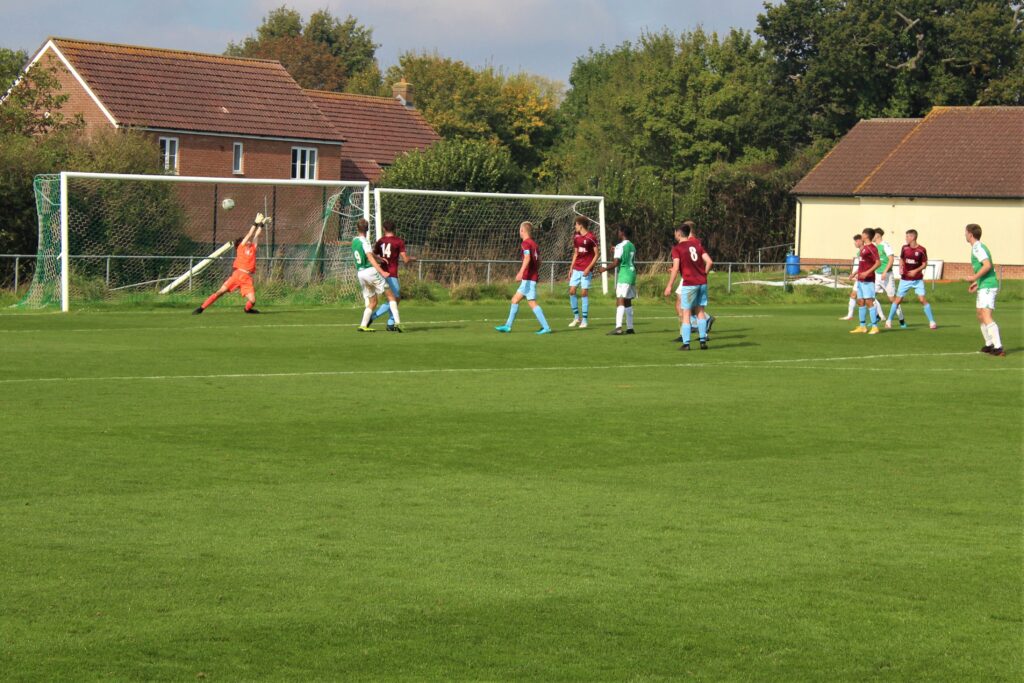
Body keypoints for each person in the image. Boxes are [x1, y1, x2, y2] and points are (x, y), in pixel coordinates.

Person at [193, 213, 269, 315]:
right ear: (240, 244)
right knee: (220, 292)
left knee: (252, 300)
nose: (248, 241)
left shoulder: (252, 248)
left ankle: (247, 310)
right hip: (237, 275)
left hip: (246, 278)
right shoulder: (241, 248)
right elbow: (249, 235)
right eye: (244, 241)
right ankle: (201, 308)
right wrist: (255, 222)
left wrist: (262, 224)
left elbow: (256, 235)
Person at [495, 221, 552, 335]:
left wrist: (521, 272)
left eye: (519, 230)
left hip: (527, 279)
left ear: (522, 231)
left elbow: (527, 258)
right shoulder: (534, 244)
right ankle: (508, 326)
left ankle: (545, 327)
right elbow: (539, 261)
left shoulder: (525, 243)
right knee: (519, 300)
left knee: (527, 302)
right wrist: (534, 272)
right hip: (532, 278)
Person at [664, 221, 713, 350]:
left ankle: (686, 344)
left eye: (675, 232)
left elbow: (675, 269)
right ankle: (703, 341)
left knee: (685, 312)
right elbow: (709, 261)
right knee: (700, 311)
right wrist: (703, 274)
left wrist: (669, 286)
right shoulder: (697, 245)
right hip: (702, 282)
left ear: (678, 234)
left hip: (689, 284)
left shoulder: (677, 249)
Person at [352, 218, 400, 332]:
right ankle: (397, 323)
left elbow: (368, 252)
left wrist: (378, 257)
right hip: (370, 272)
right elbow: (369, 257)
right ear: (368, 229)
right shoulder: (365, 241)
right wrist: (381, 271)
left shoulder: (355, 241)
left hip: (360, 273)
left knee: (373, 302)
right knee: (392, 296)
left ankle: (363, 325)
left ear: (357, 228)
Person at [965, 223, 1004, 356]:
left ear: (970, 234)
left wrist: (974, 277)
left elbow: (987, 265)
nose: (964, 235)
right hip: (983, 285)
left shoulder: (978, 248)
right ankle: (989, 344)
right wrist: (977, 282)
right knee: (980, 314)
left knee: (986, 316)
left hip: (988, 286)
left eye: (965, 232)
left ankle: (998, 347)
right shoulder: (977, 247)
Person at [886, 229, 936, 330]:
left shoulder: (921, 250)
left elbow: (924, 264)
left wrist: (915, 271)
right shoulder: (904, 248)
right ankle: (889, 321)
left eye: (907, 236)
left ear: (913, 237)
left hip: (917, 280)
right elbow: (901, 258)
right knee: (898, 300)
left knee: (922, 299)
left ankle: (932, 322)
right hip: (905, 279)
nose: (906, 238)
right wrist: (901, 265)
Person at [370, 220, 414, 332]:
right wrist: (413, 259)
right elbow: (405, 260)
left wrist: (381, 259)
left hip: (381, 273)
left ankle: (390, 323)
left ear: (384, 229)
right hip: (391, 273)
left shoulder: (380, 241)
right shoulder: (398, 241)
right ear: (394, 229)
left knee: (393, 298)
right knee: (396, 298)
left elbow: (373, 255)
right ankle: (378, 318)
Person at [596, 224, 638, 335]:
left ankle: (618, 327)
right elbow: (626, 256)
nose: (618, 233)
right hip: (632, 274)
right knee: (628, 301)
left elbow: (616, 262)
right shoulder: (632, 245)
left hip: (624, 275)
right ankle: (630, 328)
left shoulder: (620, 246)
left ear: (622, 233)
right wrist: (616, 250)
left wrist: (604, 269)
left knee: (620, 299)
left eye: (619, 231)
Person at [567, 216, 598, 328]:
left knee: (584, 292)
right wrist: (571, 268)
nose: (575, 226)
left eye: (576, 224)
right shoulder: (576, 238)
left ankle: (584, 320)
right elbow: (575, 253)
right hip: (576, 268)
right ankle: (576, 318)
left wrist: (588, 268)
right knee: (571, 291)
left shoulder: (591, 237)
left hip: (586, 269)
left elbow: (596, 255)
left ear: (580, 225)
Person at [850, 227, 881, 334]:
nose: (861, 235)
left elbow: (878, 263)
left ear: (866, 235)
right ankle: (862, 326)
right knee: (860, 301)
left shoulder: (872, 248)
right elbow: (863, 263)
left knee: (869, 301)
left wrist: (867, 273)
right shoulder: (863, 249)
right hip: (861, 280)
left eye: (862, 233)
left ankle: (875, 327)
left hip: (868, 279)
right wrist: (855, 273)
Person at [872, 228, 904, 327]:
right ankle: (877, 316)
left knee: (892, 299)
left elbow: (891, 259)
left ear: (877, 235)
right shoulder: (875, 247)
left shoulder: (885, 245)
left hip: (887, 276)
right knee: (870, 296)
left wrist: (885, 271)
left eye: (872, 234)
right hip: (877, 275)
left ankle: (902, 320)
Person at [840, 234, 863, 321]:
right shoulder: (859, 252)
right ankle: (850, 315)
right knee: (853, 295)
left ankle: (879, 315)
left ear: (861, 241)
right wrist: (854, 274)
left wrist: (861, 273)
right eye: (855, 241)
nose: (855, 243)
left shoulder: (867, 250)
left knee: (869, 299)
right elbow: (861, 265)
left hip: (866, 278)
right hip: (860, 277)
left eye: (856, 241)